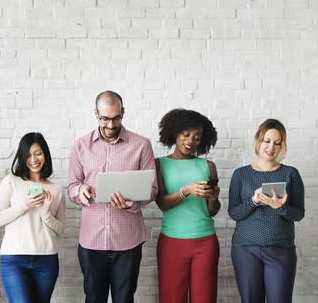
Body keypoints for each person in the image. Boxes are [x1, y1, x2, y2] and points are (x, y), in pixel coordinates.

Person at [67, 90, 157, 303]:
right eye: (105, 118)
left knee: (124, 299)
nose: (110, 125)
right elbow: (71, 186)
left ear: (123, 113)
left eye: (116, 118)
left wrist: (133, 203)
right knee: (94, 298)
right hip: (91, 241)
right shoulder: (81, 146)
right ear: (96, 114)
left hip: (128, 242)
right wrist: (80, 191)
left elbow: (152, 189)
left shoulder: (141, 145)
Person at [228, 118, 304, 303]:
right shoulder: (240, 174)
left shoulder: (290, 173)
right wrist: (253, 201)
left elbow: (299, 213)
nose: (271, 147)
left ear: (282, 146)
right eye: (267, 141)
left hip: (281, 249)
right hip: (245, 249)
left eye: (277, 143)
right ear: (258, 141)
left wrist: (281, 208)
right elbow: (234, 213)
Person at [154, 108, 220, 303]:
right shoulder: (160, 164)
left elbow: (212, 211)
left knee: (205, 298)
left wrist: (213, 198)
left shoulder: (208, 166)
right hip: (172, 242)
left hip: (205, 242)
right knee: (172, 298)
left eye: (198, 137)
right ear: (174, 133)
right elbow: (162, 203)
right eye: (186, 134)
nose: (191, 140)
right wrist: (187, 190)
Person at [0, 132, 66, 303]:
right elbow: (0, 218)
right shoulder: (10, 181)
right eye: (28, 155)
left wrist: (45, 213)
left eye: (38, 153)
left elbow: (61, 229)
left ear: (45, 155)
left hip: (47, 260)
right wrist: (24, 205)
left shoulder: (56, 189)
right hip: (14, 259)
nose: (33, 159)